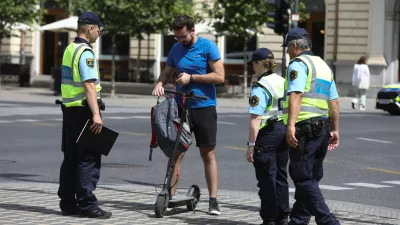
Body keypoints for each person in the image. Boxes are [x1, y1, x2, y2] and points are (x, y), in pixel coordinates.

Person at [152, 14, 225, 215]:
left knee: (207, 153)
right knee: (176, 152)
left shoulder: (208, 47)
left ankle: (213, 200)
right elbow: (167, 72)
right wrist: (160, 83)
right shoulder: (176, 49)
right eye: (177, 37)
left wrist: (192, 77)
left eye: (183, 36)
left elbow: (220, 76)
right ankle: (170, 196)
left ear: (192, 31)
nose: (180, 40)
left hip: (204, 105)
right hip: (180, 106)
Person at [281, 28, 340, 225]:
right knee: (310, 177)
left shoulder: (298, 64)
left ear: (295, 46)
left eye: (288, 48)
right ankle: (297, 221)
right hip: (322, 128)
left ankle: (328, 221)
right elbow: (334, 102)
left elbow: (296, 94)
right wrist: (335, 129)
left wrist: (290, 125)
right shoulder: (324, 66)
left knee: (303, 177)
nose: (287, 52)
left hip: (305, 128)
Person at [58, 12, 112, 219]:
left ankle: (68, 203)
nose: (99, 33)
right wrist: (96, 115)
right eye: (99, 29)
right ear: (90, 28)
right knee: (88, 157)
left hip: (69, 109)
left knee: (71, 157)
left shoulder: (69, 49)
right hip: (84, 111)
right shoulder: (86, 53)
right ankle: (88, 205)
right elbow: (89, 85)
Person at [246, 48, 290, 225]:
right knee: (281, 176)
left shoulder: (260, 86)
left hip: (267, 134)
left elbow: (256, 118)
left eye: (253, 65)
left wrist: (251, 145)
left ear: (258, 63)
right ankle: (283, 216)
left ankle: (270, 218)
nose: (252, 69)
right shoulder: (283, 81)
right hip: (283, 129)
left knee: (266, 179)